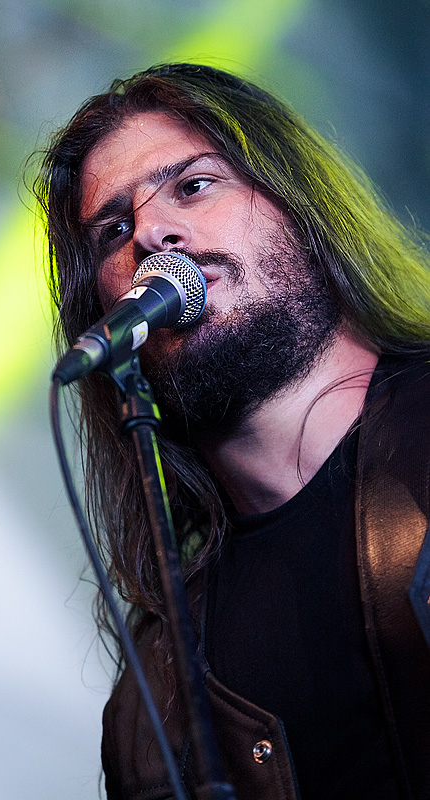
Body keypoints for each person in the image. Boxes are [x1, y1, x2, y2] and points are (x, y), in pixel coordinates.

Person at [35, 63, 430, 799]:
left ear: (299, 207)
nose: (152, 232)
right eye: (113, 229)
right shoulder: (158, 697)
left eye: (192, 185)